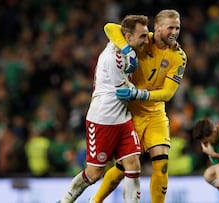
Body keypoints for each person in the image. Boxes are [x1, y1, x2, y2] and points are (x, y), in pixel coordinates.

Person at [91, 9, 187, 203]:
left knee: (162, 164)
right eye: (171, 27)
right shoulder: (142, 39)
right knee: (121, 169)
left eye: (177, 27)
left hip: (155, 114)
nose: (175, 32)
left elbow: (167, 94)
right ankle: (95, 201)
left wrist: (138, 93)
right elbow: (109, 27)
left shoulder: (179, 56)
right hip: (130, 114)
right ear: (157, 27)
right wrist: (127, 49)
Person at [58, 15, 150, 203]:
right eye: (142, 36)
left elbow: (112, 28)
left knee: (133, 165)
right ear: (128, 36)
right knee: (94, 173)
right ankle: (65, 200)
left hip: (123, 120)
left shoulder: (126, 48)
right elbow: (124, 92)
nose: (146, 40)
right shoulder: (113, 57)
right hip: (103, 120)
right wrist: (149, 93)